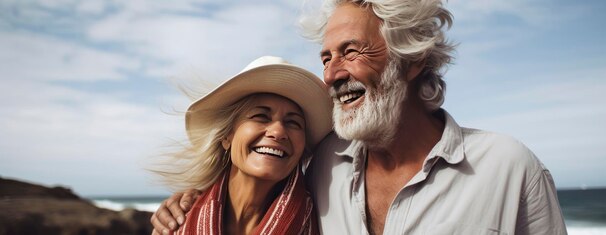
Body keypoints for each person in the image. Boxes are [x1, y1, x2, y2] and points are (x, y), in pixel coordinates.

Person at [152, 1, 567, 234]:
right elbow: (256, 181)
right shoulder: (322, 164)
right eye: (326, 58)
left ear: (413, 60)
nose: (331, 74)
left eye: (351, 51)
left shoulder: (508, 167)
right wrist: (185, 203)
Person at [151, 56, 332, 235]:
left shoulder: (326, 220)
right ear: (227, 136)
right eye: (260, 116)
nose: (278, 131)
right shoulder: (178, 223)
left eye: (294, 123)